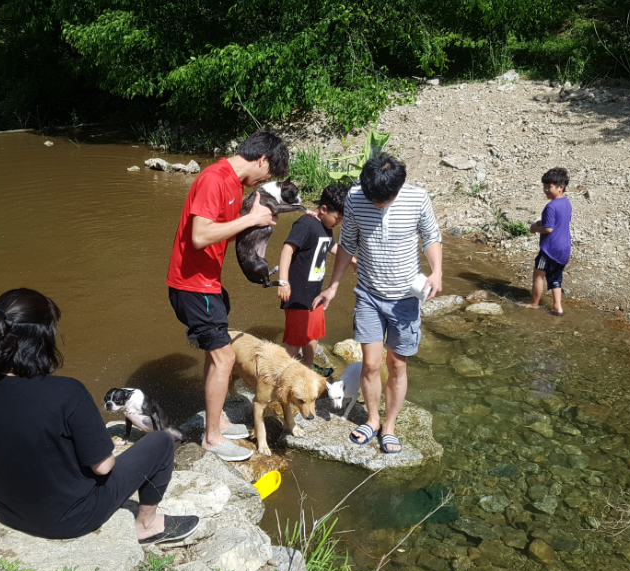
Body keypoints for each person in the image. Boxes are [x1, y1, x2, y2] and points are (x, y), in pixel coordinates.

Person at [0, 288, 198, 544]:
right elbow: (103, 467)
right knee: (162, 442)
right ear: (42, 338)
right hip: (73, 519)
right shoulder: (66, 392)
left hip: (8, 511)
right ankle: (147, 525)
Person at [166, 131, 289, 462]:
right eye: (269, 173)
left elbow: (226, 231)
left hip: (208, 284)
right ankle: (212, 438)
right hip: (191, 286)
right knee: (226, 357)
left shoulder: (235, 185)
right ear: (262, 160)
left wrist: (258, 225)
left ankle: (216, 418)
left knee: (217, 353)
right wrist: (250, 219)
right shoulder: (214, 179)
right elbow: (199, 236)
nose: (266, 180)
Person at [312, 154, 442, 454]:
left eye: (381, 200)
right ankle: (372, 420)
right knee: (370, 364)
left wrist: (437, 271)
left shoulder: (418, 199)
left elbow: (431, 238)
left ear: (397, 189)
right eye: (372, 198)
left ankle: (390, 426)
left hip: (405, 299)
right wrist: (333, 286)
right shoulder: (357, 198)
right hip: (369, 294)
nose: (375, 204)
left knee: (397, 365)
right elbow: (346, 245)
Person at [277, 183, 354, 376]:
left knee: (313, 335)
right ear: (324, 209)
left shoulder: (325, 225)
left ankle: (307, 371)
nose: (337, 223)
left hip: (316, 295)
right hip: (297, 294)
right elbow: (287, 249)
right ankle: (279, 375)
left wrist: (352, 260)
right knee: (294, 342)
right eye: (337, 218)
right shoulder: (306, 224)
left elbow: (330, 246)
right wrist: (283, 281)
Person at [526, 167, 572, 316]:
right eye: (544, 186)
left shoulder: (551, 206)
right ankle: (558, 307)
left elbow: (549, 229)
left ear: (560, 188)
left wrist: (535, 229)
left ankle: (534, 304)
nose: (545, 190)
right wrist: (542, 223)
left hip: (550, 249)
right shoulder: (567, 203)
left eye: (549, 187)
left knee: (538, 275)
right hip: (564, 249)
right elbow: (559, 223)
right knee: (555, 278)